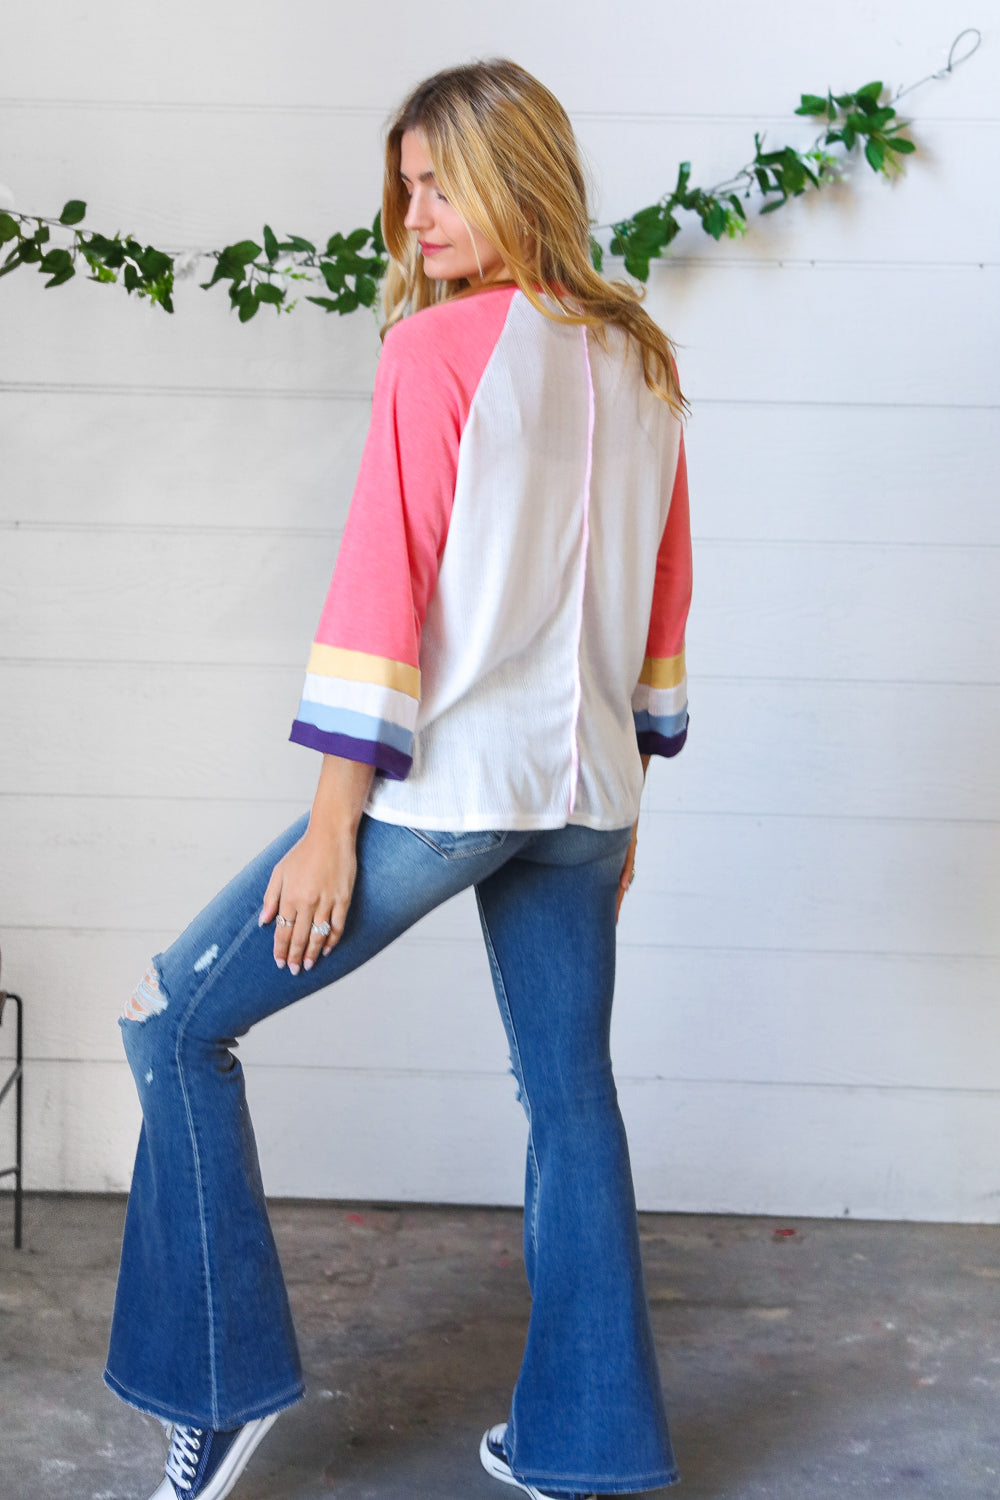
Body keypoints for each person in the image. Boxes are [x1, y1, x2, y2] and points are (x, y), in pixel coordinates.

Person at [104, 57, 692, 1500]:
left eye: (440, 184)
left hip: (453, 796)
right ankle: (586, 1453)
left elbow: (383, 589)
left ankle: (217, 1390)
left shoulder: (435, 352)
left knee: (176, 1019)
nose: (414, 215)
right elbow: (662, 607)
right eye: (408, 187)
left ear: (516, 179)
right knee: (573, 1100)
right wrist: (627, 803)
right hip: (585, 799)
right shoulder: (642, 357)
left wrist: (330, 826)